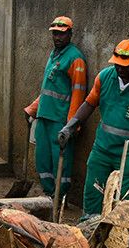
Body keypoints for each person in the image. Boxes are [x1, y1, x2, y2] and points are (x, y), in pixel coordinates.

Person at [58, 39, 129, 217]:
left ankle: (120, 235)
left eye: (125, 65)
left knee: (125, 198)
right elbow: (89, 103)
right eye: (117, 64)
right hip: (102, 147)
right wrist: (70, 126)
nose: (120, 69)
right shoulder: (105, 77)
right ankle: (89, 228)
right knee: (94, 189)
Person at [23, 16, 88, 197]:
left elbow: (78, 92)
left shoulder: (76, 59)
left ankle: (59, 198)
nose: (57, 37)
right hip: (44, 116)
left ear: (70, 34)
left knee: (60, 161)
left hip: (60, 120)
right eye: (55, 34)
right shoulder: (54, 54)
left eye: (61, 33)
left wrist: (72, 124)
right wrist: (32, 109)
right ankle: (48, 194)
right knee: (42, 159)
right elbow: (48, 89)